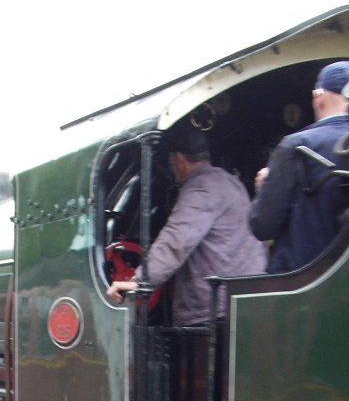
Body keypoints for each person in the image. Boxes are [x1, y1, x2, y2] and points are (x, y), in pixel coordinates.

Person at [105, 125, 266, 325]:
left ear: (178, 158)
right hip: (245, 300)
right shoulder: (231, 183)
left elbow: (176, 241)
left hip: (215, 312)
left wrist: (137, 281)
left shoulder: (200, 186)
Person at [248, 60, 349, 274]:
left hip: (303, 280)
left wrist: (264, 187)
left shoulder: (295, 146)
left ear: (318, 97)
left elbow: (262, 225)